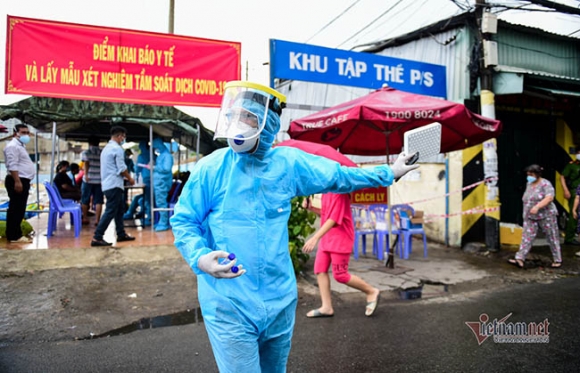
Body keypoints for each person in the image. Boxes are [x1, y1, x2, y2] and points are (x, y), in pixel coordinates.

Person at [170, 81, 418, 372]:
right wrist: (199, 256)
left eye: (248, 117)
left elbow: (339, 176)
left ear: (268, 123)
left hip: (280, 299)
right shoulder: (211, 169)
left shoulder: (287, 164)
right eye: (234, 116)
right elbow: (185, 220)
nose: (238, 124)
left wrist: (389, 172)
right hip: (229, 303)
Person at [302, 193, 381, 318]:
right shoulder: (326, 192)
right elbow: (327, 213)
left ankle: (371, 291)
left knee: (340, 275)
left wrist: (315, 237)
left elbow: (333, 219)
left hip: (341, 239)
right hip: (327, 238)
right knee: (319, 270)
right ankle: (326, 307)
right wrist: (311, 208)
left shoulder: (340, 193)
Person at [509, 164, 562, 269]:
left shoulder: (545, 184)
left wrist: (537, 206)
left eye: (531, 174)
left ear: (538, 174)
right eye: (528, 174)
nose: (529, 176)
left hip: (546, 215)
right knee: (527, 237)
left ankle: (557, 259)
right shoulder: (529, 183)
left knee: (552, 237)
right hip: (530, 216)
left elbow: (549, 198)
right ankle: (520, 258)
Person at [91, 126, 136, 247]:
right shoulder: (117, 149)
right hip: (114, 184)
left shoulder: (106, 149)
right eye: (123, 137)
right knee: (111, 211)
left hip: (107, 184)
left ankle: (121, 234)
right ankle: (97, 237)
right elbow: (121, 169)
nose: (123, 139)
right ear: (120, 136)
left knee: (119, 209)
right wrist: (130, 178)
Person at [3, 123, 35, 243]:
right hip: (17, 180)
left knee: (19, 208)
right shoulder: (13, 146)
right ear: (15, 133)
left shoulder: (20, 146)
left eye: (27, 133)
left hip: (22, 180)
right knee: (16, 208)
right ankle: (14, 235)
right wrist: (17, 181)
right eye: (23, 133)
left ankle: (15, 233)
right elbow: (13, 165)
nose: (26, 135)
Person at [151, 138, 173, 232]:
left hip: (162, 183)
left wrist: (154, 167)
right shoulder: (161, 155)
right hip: (159, 183)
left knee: (161, 202)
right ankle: (161, 220)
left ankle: (164, 222)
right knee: (159, 202)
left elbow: (166, 168)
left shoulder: (167, 156)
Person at [81, 136, 104, 225]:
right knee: (99, 200)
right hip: (99, 180)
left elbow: (86, 163)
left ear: (89, 143)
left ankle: (85, 218)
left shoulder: (86, 152)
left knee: (85, 199)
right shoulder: (102, 152)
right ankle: (97, 220)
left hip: (88, 179)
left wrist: (86, 174)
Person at [560, 148, 580, 245]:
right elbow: (562, 176)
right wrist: (565, 190)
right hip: (575, 191)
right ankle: (569, 238)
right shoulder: (572, 165)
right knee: (574, 213)